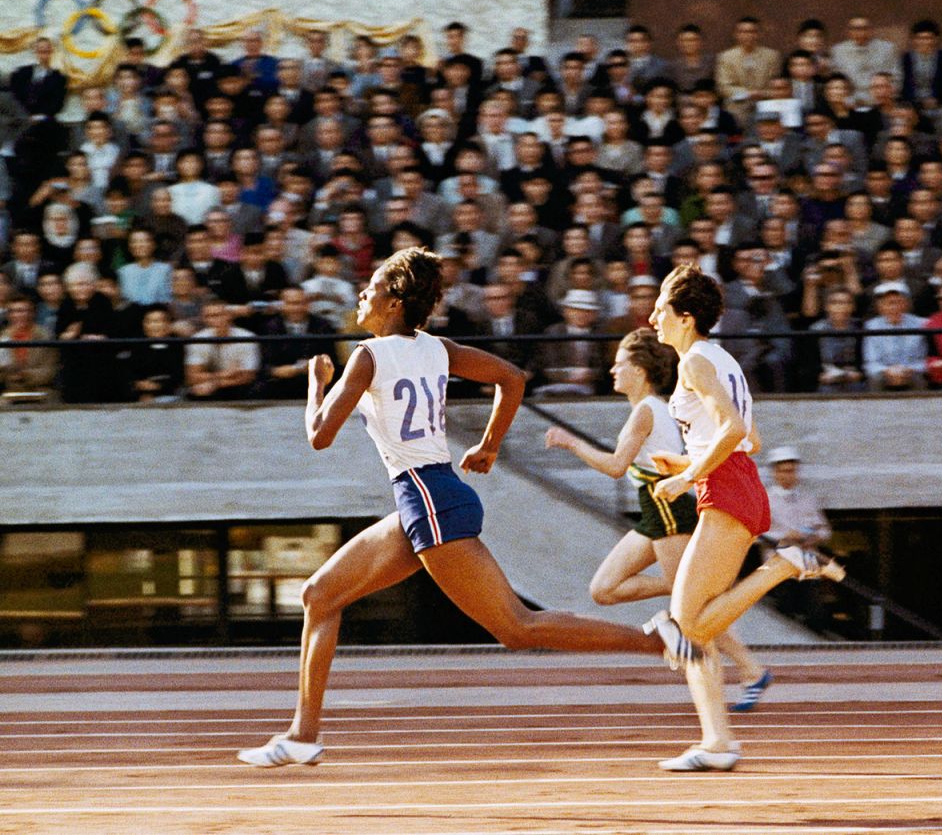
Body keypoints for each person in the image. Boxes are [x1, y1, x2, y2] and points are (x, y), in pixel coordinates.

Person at [238, 248, 664, 767]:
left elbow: (319, 435)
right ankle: (303, 734)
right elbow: (513, 377)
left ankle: (655, 639)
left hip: (428, 500)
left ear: (393, 302)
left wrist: (315, 386)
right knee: (319, 594)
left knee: (516, 628)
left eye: (369, 287)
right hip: (427, 496)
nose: (361, 295)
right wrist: (488, 445)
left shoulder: (368, 357)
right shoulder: (438, 347)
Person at [644, 265, 843, 772]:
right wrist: (687, 463)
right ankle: (717, 742)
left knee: (686, 625)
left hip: (727, 490)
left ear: (685, 317)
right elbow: (748, 439)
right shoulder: (721, 359)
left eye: (660, 308)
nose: (652, 317)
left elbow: (732, 430)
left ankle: (781, 566)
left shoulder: (694, 363)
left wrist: (687, 479)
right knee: (693, 627)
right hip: (740, 485)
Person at [545, 328, 773, 712]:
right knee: (604, 589)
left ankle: (750, 672)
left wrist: (571, 443)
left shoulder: (648, 409)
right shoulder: (651, 408)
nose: (613, 369)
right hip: (654, 510)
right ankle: (689, 614)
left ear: (639, 369)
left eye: (620, 362)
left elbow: (617, 466)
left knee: (693, 606)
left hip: (668, 507)